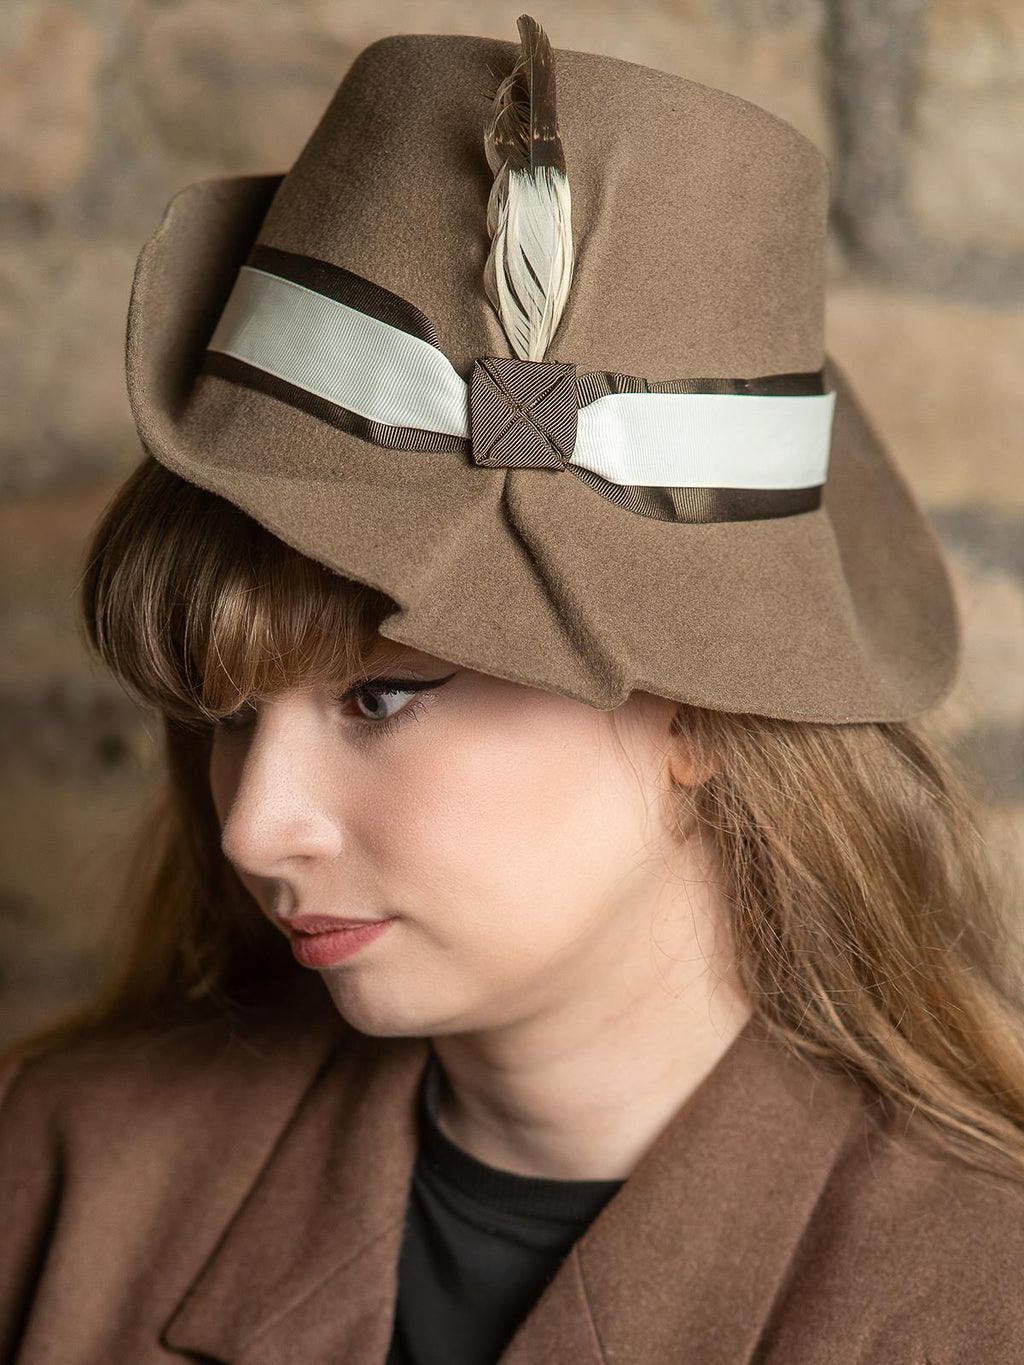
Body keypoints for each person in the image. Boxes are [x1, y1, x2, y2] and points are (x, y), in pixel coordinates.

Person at [2, 14, 1024, 1365]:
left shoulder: (982, 1299)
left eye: (380, 698)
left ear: (701, 708)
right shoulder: (72, 1177)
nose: (253, 828)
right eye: (229, 716)